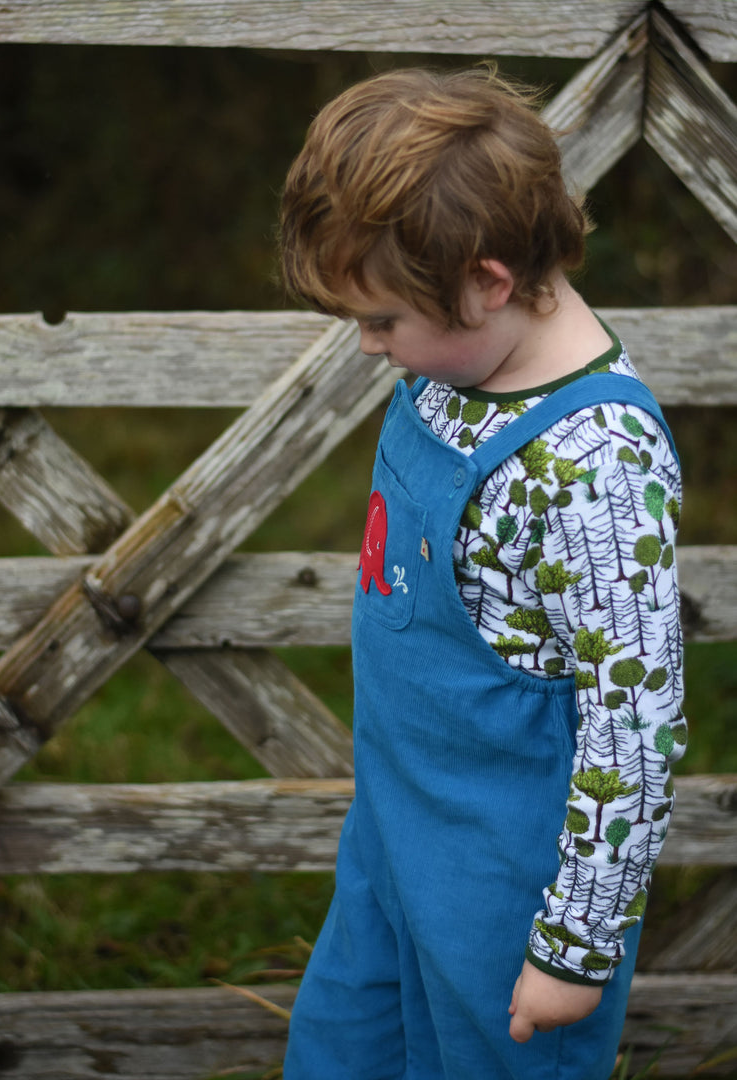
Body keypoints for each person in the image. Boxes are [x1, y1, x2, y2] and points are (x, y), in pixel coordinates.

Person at [278, 66, 686, 1080]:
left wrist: (573, 951)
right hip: (391, 838)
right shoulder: (453, 370)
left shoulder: (594, 469)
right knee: (342, 1050)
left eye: (380, 323)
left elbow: (632, 725)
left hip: (506, 902)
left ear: (487, 283)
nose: (372, 348)